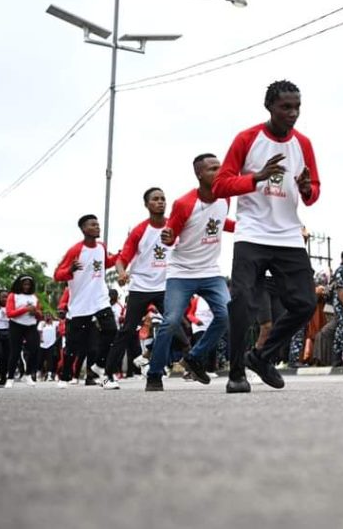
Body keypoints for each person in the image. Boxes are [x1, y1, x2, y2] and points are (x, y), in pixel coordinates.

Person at [213, 80, 321, 393]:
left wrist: (306, 189)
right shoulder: (247, 139)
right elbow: (220, 186)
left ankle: (261, 356)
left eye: (297, 106)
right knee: (243, 302)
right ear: (269, 107)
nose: (293, 113)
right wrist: (255, 178)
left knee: (304, 303)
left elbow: (314, 193)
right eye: (286, 107)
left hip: (287, 234)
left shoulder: (304, 143)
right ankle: (236, 374)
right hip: (252, 232)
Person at [147, 157, 233, 392]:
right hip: (181, 273)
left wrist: (244, 226)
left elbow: (218, 221)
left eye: (220, 167)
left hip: (210, 271)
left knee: (226, 315)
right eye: (212, 169)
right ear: (199, 175)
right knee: (171, 320)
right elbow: (171, 233)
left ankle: (193, 358)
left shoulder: (225, 197)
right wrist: (167, 238)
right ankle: (154, 374)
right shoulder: (184, 203)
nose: (219, 171)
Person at [105, 187, 171, 389]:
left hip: (165, 286)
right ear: (147, 205)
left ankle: (156, 357)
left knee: (176, 325)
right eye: (155, 199)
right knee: (126, 331)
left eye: (163, 199)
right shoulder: (140, 230)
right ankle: (108, 375)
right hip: (141, 287)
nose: (160, 202)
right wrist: (122, 272)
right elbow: (121, 259)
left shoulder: (173, 225)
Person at [53, 215, 118, 387]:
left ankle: (99, 366)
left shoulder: (101, 247)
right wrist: (70, 269)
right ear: (83, 229)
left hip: (100, 299)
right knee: (73, 345)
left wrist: (121, 255)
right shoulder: (75, 250)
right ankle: (65, 376)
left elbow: (107, 263)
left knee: (111, 330)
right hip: (81, 304)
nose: (97, 227)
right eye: (93, 225)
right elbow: (57, 275)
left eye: (98, 224)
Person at [6, 274, 42, 386]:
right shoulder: (13, 296)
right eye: (25, 284)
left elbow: (40, 315)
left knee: (34, 349)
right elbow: (9, 313)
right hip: (16, 325)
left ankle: (28, 374)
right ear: (20, 284)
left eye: (29, 284)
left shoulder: (34, 297)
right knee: (15, 352)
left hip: (30, 326)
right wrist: (26, 309)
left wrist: (35, 312)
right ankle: (10, 378)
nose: (27, 286)